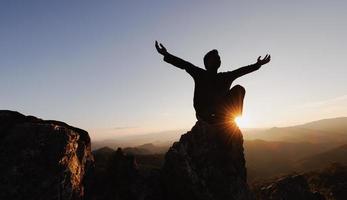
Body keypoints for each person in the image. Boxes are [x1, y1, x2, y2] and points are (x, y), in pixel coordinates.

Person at [155, 41, 270, 124]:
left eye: (219, 58)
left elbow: (242, 71)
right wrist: (166, 54)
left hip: (220, 112)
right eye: (214, 58)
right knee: (216, 106)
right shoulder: (199, 73)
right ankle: (220, 121)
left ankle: (230, 121)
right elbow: (184, 64)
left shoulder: (226, 76)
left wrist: (257, 65)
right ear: (206, 63)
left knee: (239, 89)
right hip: (204, 113)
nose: (218, 59)